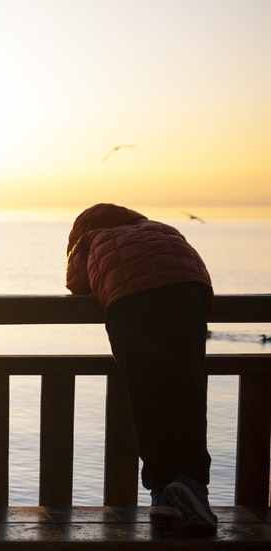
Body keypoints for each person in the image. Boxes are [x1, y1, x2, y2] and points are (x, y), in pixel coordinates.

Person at [66, 203, 216, 531]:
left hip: (132, 300)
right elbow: (191, 262)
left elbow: (75, 283)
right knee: (188, 387)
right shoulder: (161, 228)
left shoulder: (91, 239)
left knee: (145, 393)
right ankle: (192, 485)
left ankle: (162, 493)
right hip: (186, 292)